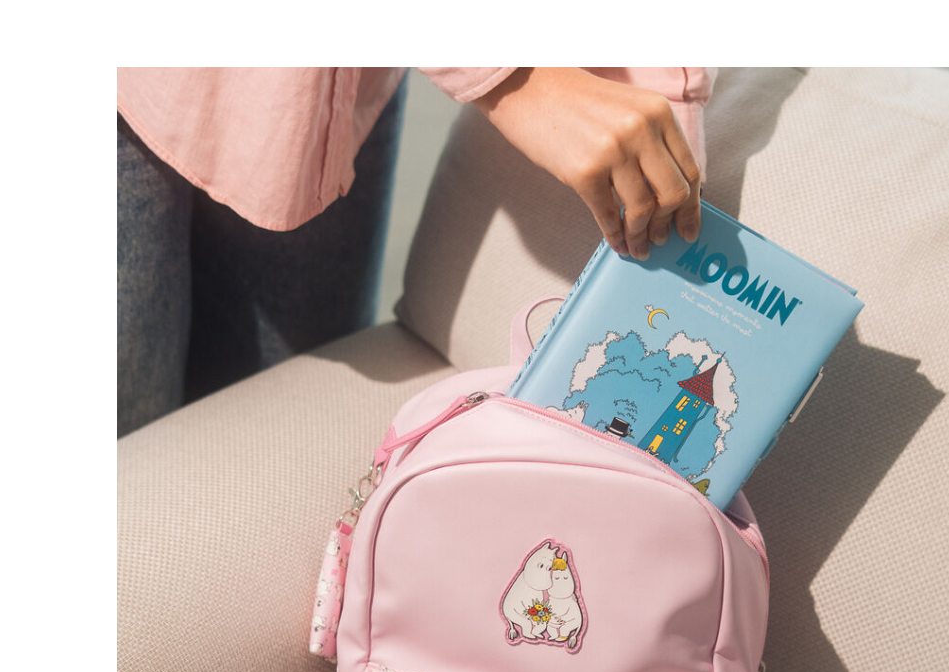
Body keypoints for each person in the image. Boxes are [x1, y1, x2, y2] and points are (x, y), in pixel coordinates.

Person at [117, 67, 715, 438]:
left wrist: (662, 99)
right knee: (135, 439)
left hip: (322, 93)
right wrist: (517, 82)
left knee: (280, 429)